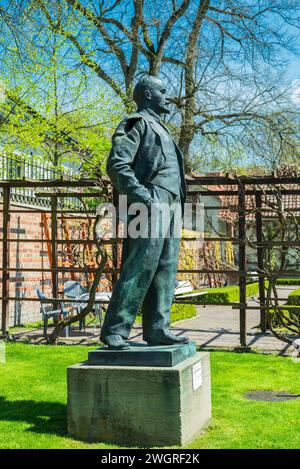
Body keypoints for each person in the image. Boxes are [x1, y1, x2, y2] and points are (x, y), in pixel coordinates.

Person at [100, 74, 189, 349]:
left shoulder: (162, 129)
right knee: (141, 264)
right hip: (150, 202)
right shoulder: (136, 123)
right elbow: (117, 165)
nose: (168, 96)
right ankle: (115, 329)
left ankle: (158, 329)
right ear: (148, 95)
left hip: (172, 203)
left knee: (166, 269)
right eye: (163, 91)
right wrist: (144, 197)